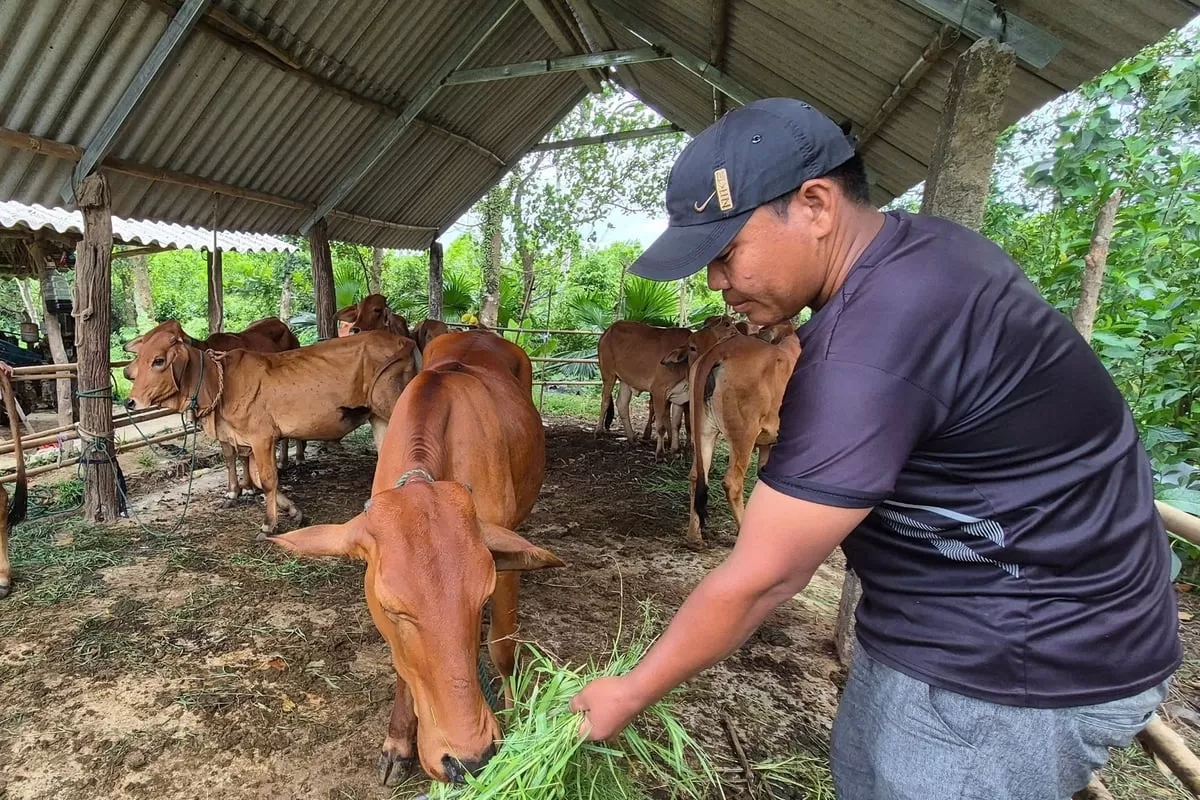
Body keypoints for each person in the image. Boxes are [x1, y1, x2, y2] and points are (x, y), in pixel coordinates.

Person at [567, 97, 1181, 799]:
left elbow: (767, 575)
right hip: (948, 623)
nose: (715, 282)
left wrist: (632, 690)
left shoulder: (872, 346)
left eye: (726, 252)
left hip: (1017, 665)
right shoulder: (929, 250)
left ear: (816, 206)